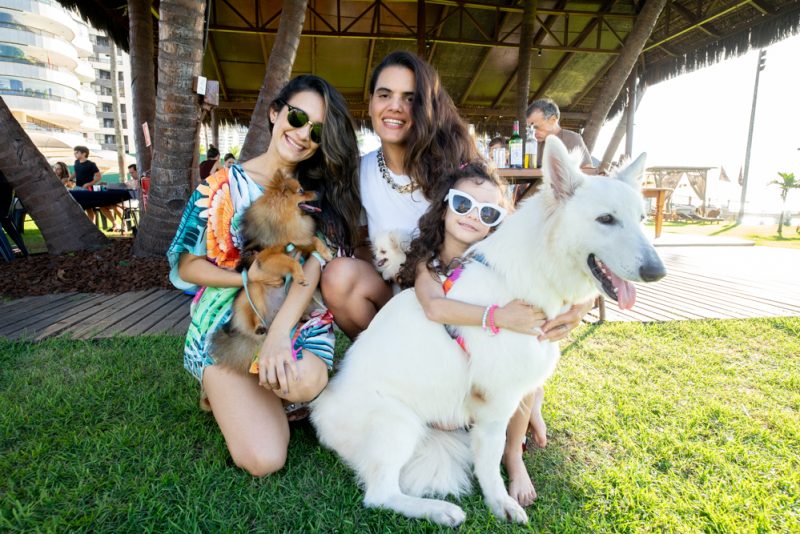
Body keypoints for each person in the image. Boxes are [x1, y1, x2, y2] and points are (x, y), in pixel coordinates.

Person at [167, 75, 361, 477]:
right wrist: (247, 277)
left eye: (318, 130)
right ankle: (230, 386)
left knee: (303, 382)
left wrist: (277, 336)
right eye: (297, 117)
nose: (303, 133)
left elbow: (313, 264)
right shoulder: (220, 185)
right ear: (276, 113)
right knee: (264, 460)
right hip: (231, 327)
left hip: (295, 325)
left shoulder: (315, 195)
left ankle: (272, 390)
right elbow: (187, 266)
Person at [395, 161, 574, 507]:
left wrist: (575, 310)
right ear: (446, 205)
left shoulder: (501, 263)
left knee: (525, 364)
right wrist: (499, 317)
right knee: (448, 422)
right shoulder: (429, 263)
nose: (472, 216)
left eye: (488, 213)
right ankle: (528, 406)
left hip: (494, 365)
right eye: (464, 204)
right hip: (452, 369)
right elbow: (435, 308)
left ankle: (514, 455)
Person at [321, 51, 479, 339]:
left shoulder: (458, 167)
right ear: (370, 103)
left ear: (427, 108)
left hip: (456, 299)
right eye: (384, 95)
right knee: (338, 275)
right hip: (394, 302)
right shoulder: (359, 172)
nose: (395, 106)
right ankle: (381, 361)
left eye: (410, 98)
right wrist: (391, 265)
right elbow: (359, 248)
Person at [526, 98, 592, 168]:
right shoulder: (532, 143)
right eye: (530, 128)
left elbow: (588, 171)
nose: (533, 132)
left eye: (536, 127)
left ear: (553, 120)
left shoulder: (571, 139)